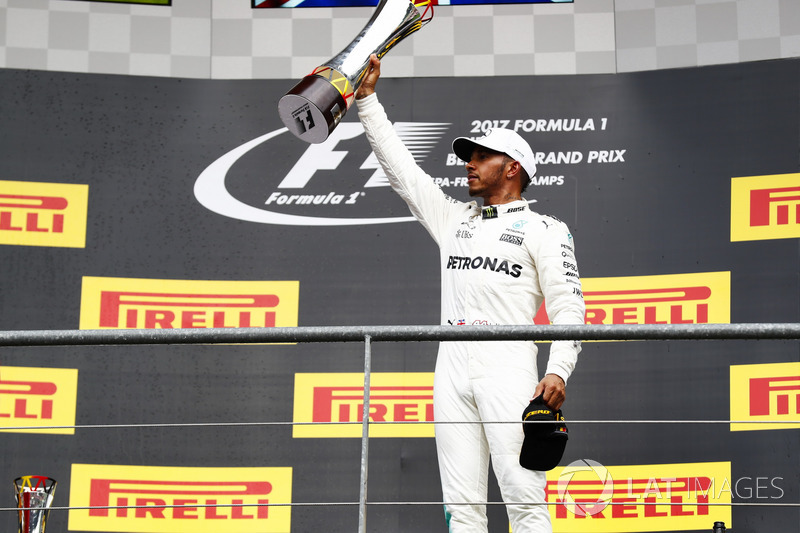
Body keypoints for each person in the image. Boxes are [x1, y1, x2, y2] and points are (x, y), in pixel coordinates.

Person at [355, 54, 585, 533]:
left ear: (512, 168)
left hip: (509, 365)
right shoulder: (454, 219)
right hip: (451, 366)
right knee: (461, 510)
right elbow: (403, 173)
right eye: (469, 156)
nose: (469, 164)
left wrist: (559, 369)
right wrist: (368, 101)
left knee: (524, 499)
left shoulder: (546, 229)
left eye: (482, 157)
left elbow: (568, 306)